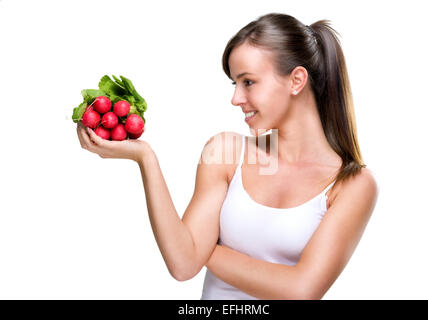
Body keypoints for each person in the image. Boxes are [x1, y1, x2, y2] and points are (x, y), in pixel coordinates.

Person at [76, 12, 378, 300]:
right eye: (235, 84)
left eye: (248, 82)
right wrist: (145, 157)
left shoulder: (352, 184)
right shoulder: (225, 153)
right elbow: (182, 266)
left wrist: (203, 248)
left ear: (296, 81)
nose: (236, 99)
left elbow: (301, 291)